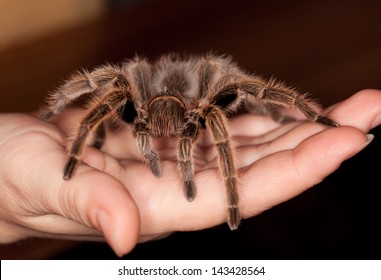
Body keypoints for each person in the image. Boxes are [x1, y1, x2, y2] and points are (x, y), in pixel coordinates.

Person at [0, 89, 379, 257]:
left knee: (239, 90)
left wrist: (231, 189)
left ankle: (310, 117)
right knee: (111, 91)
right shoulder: (135, 107)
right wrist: (70, 128)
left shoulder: (201, 112)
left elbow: (238, 95)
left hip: (192, 113)